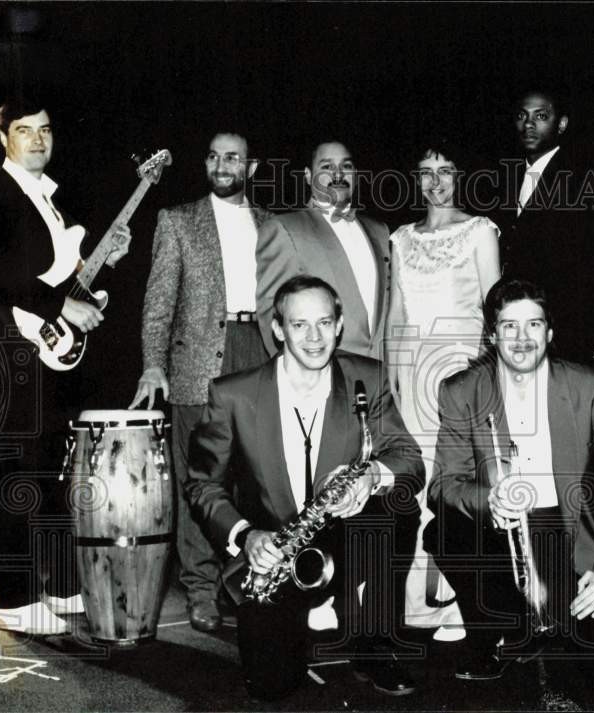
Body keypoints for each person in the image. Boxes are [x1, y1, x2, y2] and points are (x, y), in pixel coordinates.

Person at [185, 275, 424, 701]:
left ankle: (373, 644)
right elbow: (203, 485)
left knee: (398, 510)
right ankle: (306, 615)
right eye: (299, 325)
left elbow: (409, 460)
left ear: (339, 325)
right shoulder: (233, 395)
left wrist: (370, 477)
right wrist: (245, 535)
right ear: (277, 329)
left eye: (324, 323)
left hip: (345, 533)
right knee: (271, 686)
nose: (315, 338)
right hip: (275, 550)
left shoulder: (366, 378)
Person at [427, 278, 594, 689]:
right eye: (509, 326)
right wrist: (486, 498)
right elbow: (444, 485)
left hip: (567, 534)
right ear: (492, 335)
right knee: (443, 529)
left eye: (533, 325)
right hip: (499, 534)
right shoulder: (461, 391)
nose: (522, 338)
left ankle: (553, 619)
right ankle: (499, 627)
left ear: (550, 331)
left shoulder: (592, 387)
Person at [0, 97, 130, 635]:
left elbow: (60, 273)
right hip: (11, 352)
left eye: (45, 130)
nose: (38, 139)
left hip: (50, 354)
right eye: (24, 130)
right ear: (3, 137)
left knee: (55, 470)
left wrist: (100, 265)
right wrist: (60, 307)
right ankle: (14, 598)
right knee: (19, 474)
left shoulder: (50, 198)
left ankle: (60, 586)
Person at [129, 132, 273, 632]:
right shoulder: (177, 221)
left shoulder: (274, 227)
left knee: (254, 480)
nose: (221, 164)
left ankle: (242, 583)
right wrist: (154, 363)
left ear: (251, 168)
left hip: (258, 351)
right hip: (195, 365)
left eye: (233, 156)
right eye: (213, 156)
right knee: (199, 481)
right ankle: (201, 591)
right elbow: (158, 301)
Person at [385, 141, 500, 636]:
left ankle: (459, 602)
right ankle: (415, 602)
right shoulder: (400, 238)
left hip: (461, 371)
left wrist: (487, 379)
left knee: (455, 485)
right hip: (412, 376)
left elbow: (496, 310)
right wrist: (390, 374)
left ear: (460, 176)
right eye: (426, 170)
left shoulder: (480, 231)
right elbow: (395, 314)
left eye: (446, 170)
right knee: (410, 484)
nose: (435, 181)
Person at [498, 87, 594, 365]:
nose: (529, 124)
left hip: (561, 340)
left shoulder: (581, 181)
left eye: (541, 116)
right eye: (522, 115)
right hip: (513, 335)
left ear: (562, 124)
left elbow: (589, 273)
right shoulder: (504, 178)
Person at [256, 141, 390, 360]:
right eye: (327, 167)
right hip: (322, 376)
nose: (338, 174)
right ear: (308, 175)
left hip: (380, 377)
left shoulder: (380, 231)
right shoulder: (285, 228)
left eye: (346, 166)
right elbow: (271, 317)